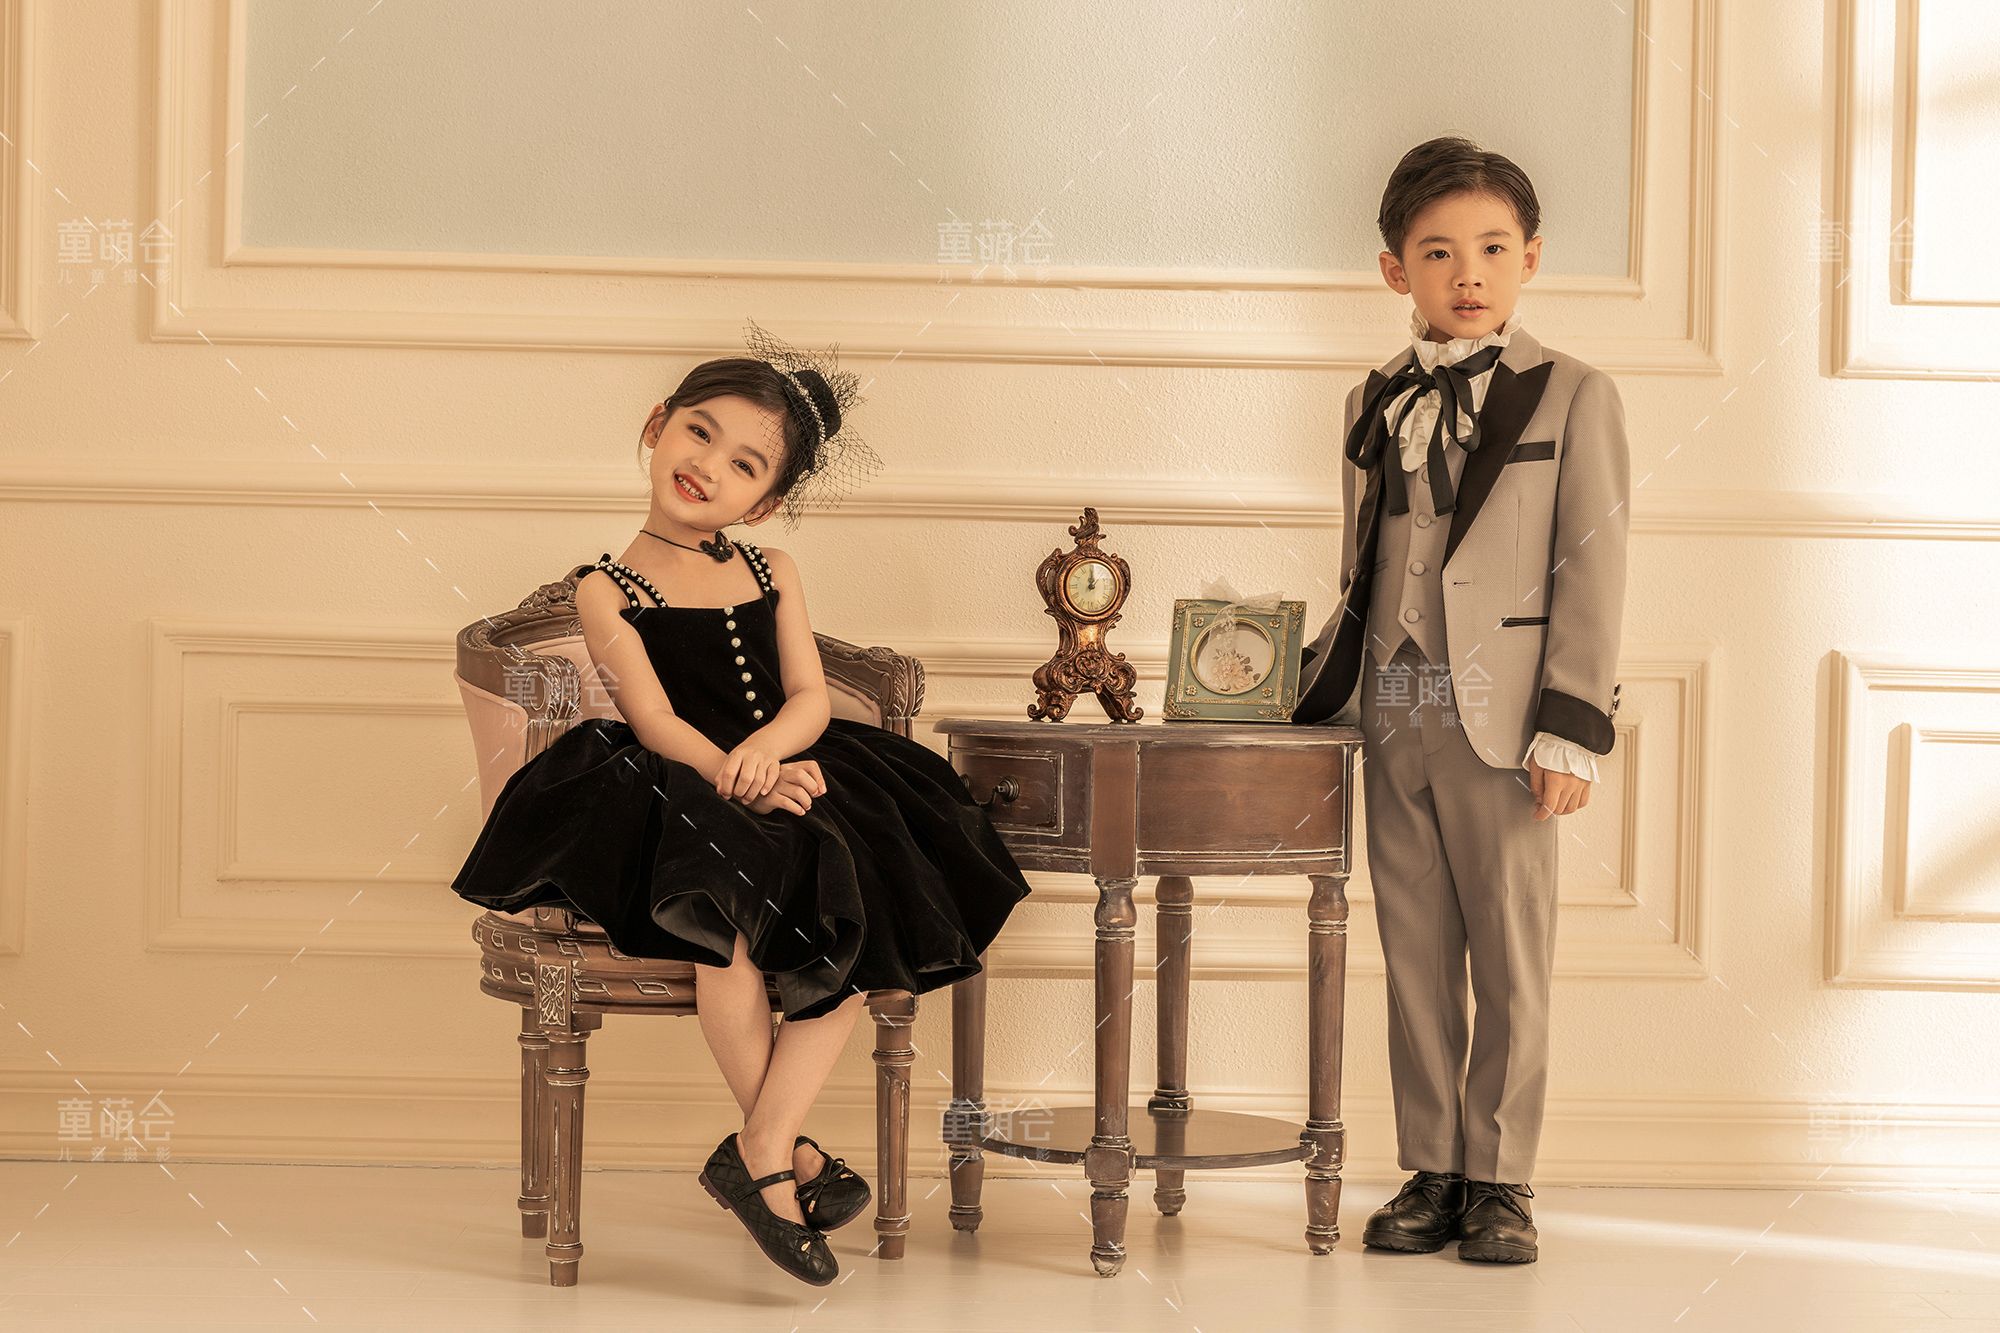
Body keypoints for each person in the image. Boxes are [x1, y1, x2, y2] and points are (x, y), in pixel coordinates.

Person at [450, 323, 1034, 1286]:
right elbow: (650, 715)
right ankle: (782, 1155)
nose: (708, 466)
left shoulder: (773, 571)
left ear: (764, 503)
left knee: (859, 909)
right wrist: (733, 770)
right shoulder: (605, 588)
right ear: (657, 425)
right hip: (673, 778)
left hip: (788, 763)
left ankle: (760, 1148)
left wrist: (769, 752)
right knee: (722, 921)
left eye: (744, 464)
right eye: (699, 432)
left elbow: (808, 696)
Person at [1292, 138, 1631, 1263]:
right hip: (1393, 700)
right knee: (1415, 946)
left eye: (1491, 247)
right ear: (1397, 270)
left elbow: (1593, 564)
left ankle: (1501, 1177)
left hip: (1507, 712)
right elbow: (1365, 559)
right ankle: (1433, 1166)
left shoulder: (1574, 393)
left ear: (1528, 258)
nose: (1467, 272)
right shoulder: (1371, 398)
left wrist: (1571, 726)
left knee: (1510, 948)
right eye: (1437, 252)